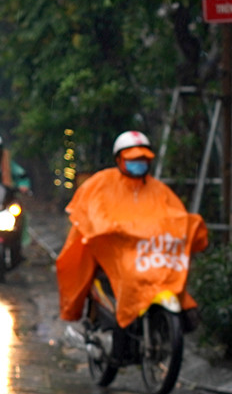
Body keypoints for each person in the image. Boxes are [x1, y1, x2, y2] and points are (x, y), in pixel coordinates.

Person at [56, 130, 206, 328]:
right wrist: (110, 229)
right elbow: (94, 214)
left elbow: (175, 217)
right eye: (133, 159)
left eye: (144, 158)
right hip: (115, 251)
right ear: (119, 159)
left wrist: (189, 227)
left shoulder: (159, 190)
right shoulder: (101, 184)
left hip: (148, 255)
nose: (139, 163)